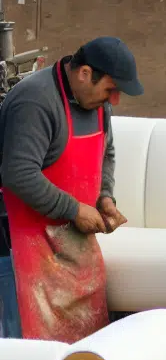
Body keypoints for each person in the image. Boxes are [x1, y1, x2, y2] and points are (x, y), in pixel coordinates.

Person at [0, 37, 140, 341]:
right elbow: (18, 173)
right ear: (85, 73)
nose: (113, 100)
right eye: (111, 89)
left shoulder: (98, 104)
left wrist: (105, 197)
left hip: (73, 245)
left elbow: (107, 153)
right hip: (20, 245)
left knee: (82, 351)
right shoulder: (34, 102)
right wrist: (74, 209)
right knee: (29, 352)